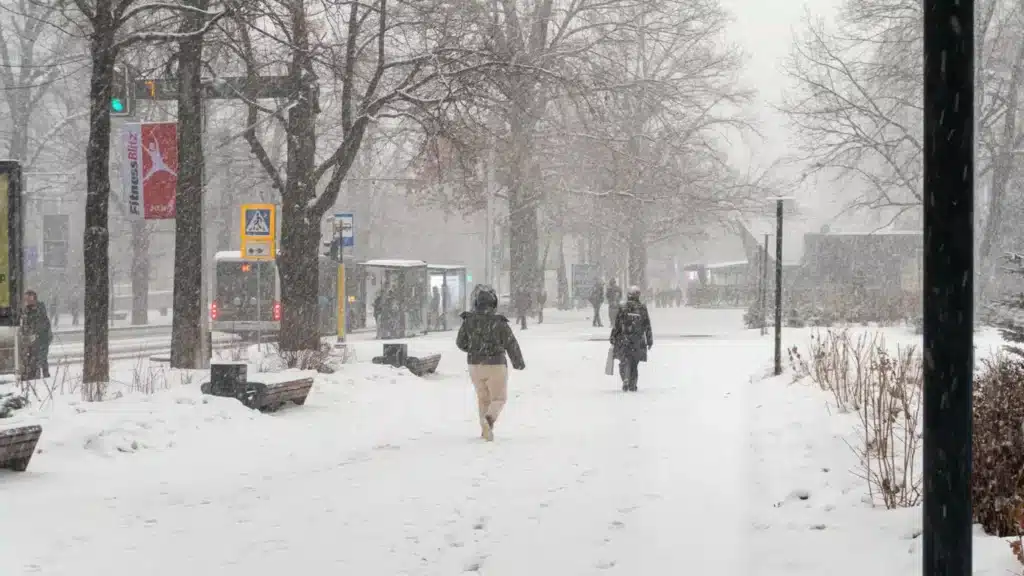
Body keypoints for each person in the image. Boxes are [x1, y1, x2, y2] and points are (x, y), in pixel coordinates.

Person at [456, 285, 526, 441]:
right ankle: (489, 419)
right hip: (496, 364)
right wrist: (518, 362)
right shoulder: (499, 322)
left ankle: (485, 430)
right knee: (499, 398)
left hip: (474, 365)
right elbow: (511, 343)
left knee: (483, 398)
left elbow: (460, 342)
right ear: (494, 304)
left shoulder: (468, 321)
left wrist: (474, 350)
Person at [610, 286, 652, 392]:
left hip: (624, 339)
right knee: (634, 363)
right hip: (638, 340)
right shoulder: (642, 308)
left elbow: (617, 324)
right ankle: (633, 384)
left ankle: (625, 378)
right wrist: (649, 339)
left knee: (624, 360)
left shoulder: (623, 307)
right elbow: (647, 325)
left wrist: (613, 336)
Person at [20, 290, 52, 380]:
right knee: (33, 359)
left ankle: (44, 377)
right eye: (26, 299)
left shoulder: (39, 309)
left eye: (29, 298)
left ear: (34, 298)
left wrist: (34, 334)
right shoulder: (27, 310)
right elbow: (25, 324)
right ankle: (36, 377)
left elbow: (41, 325)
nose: (27, 301)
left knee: (40, 359)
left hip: (42, 338)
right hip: (32, 339)